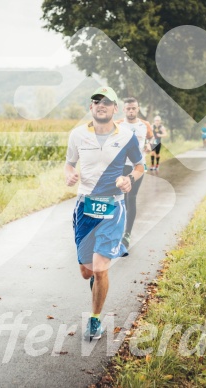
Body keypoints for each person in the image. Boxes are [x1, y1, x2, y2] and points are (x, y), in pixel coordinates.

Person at [65, 86, 145, 341]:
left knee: (100, 269)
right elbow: (69, 163)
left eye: (107, 102)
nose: (101, 105)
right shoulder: (77, 135)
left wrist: (129, 178)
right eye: (96, 101)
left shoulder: (127, 136)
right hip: (85, 206)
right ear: (91, 107)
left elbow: (140, 167)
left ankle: (95, 319)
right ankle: (95, 281)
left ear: (115, 109)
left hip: (113, 205)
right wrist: (69, 173)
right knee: (87, 271)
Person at [116, 97, 153, 249]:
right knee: (119, 198)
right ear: (124, 109)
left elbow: (153, 139)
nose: (131, 111)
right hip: (120, 166)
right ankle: (116, 229)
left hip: (138, 167)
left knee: (131, 198)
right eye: (128, 108)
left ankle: (127, 234)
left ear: (138, 109)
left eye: (134, 108)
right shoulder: (117, 124)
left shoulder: (145, 125)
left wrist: (150, 145)